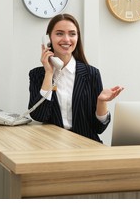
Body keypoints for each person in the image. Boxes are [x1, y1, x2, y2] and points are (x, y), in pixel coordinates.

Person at [28, 13, 124, 143]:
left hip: (86, 146)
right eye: (59, 33)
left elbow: (99, 127)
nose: (66, 39)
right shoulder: (37, 75)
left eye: (72, 34)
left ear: (77, 38)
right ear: (48, 38)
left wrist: (101, 102)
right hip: (51, 146)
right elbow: (39, 115)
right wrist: (49, 73)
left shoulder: (91, 74)